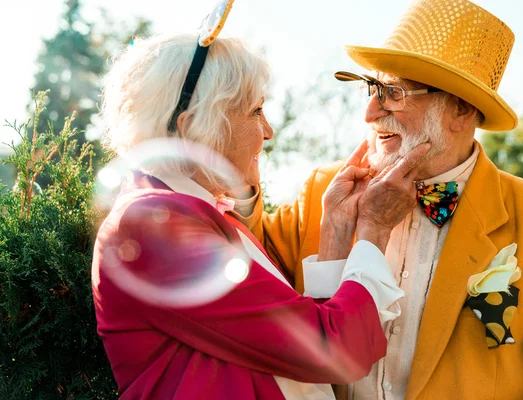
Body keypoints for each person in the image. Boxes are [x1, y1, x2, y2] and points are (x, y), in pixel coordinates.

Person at [230, 0, 523, 399]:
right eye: (370, 90)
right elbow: (240, 260)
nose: (371, 112)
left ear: (460, 110)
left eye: (393, 93)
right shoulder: (325, 189)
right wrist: (237, 172)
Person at [92, 31, 428, 400]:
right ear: (193, 129)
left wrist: (335, 228)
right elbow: (330, 350)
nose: (268, 132)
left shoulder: (187, 211)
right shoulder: (153, 224)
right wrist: (374, 230)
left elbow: (293, 342)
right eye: (255, 111)